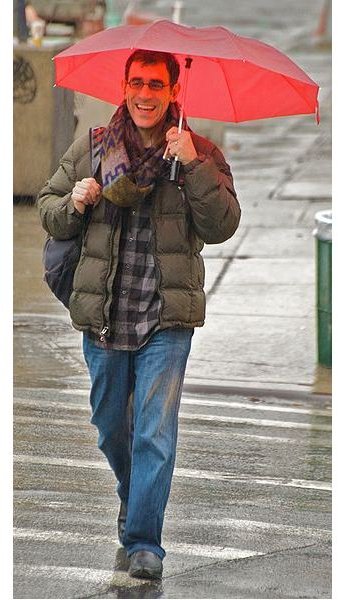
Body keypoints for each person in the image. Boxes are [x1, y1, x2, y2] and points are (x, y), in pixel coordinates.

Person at [37, 49, 241, 580]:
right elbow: (49, 210)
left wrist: (193, 163)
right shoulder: (95, 148)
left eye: (156, 84)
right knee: (111, 427)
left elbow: (222, 225)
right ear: (124, 87)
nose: (145, 94)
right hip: (105, 316)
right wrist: (75, 202)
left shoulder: (199, 151)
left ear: (174, 90)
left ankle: (145, 539)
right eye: (136, 83)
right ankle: (136, 496)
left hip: (164, 320)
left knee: (153, 431)